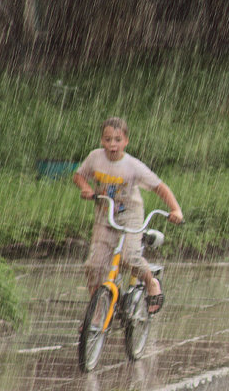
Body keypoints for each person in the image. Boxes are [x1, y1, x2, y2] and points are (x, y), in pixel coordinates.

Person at [73, 117, 183, 314]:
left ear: (126, 141)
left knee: (129, 257)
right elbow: (79, 175)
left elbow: (160, 187)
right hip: (105, 216)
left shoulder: (133, 166)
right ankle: (98, 312)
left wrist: (175, 210)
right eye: (108, 139)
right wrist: (86, 188)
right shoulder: (95, 158)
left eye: (117, 140)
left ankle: (151, 282)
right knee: (94, 266)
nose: (112, 145)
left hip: (130, 215)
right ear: (101, 140)